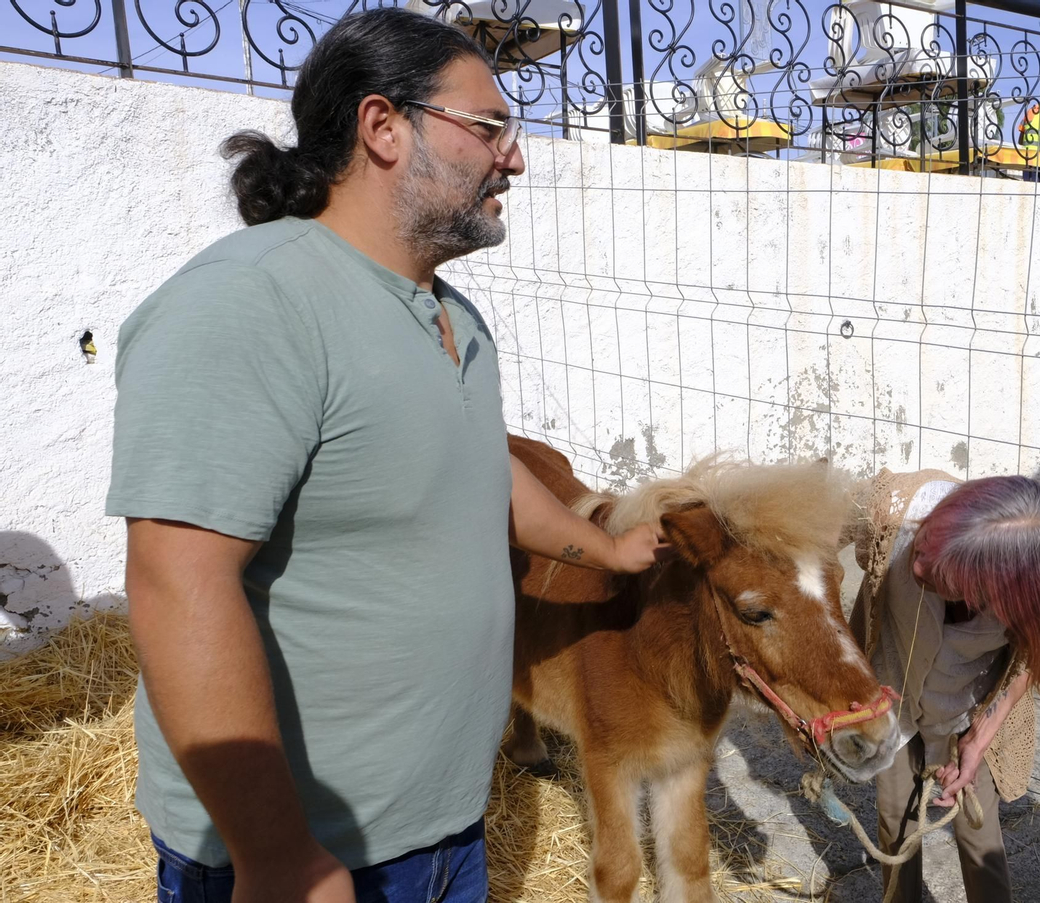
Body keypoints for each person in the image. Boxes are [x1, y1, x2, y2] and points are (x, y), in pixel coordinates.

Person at [107, 10, 667, 902]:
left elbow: (478, 466)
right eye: (489, 129)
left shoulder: (455, 319)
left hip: (443, 831)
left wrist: (608, 548)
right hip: (310, 856)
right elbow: (179, 583)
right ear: (383, 128)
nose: (514, 158)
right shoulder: (254, 301)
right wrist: (278, 854)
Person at [848, 470, 1040, 902]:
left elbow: (1027, 663)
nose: (916, 565)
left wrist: (979, 740)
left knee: (979, 832)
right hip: (892, 698)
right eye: (925, 545)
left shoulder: (1036, 595)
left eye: (941, 573)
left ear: (996, 590)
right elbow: (816, 539)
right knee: (896, 818)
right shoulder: (896, 510)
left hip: (967, 709)